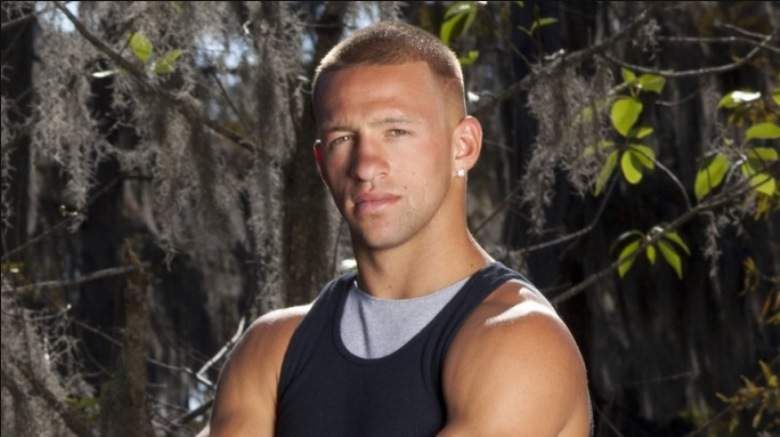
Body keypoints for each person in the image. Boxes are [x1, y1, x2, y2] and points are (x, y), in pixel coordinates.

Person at [207, 21, 592, 437]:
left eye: (396, 131)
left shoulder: (522, 339)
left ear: (463, 146)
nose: (366, 166)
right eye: (342, 139)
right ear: (321, 164)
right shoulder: (271, 349)